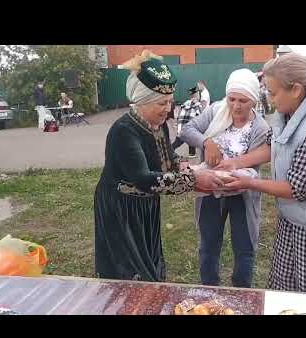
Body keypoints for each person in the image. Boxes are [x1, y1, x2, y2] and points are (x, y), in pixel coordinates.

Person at [217, 53, 306, 294]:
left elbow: (297, 189)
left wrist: (249, 182)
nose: (270, 100)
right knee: (285, 289)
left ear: (295, 90)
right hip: (295, 218)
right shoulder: (288, 113)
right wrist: (235, 162)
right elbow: (274, 145)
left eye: (273, 93)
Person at [94, 50, 225, 282]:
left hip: (146, 205)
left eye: (170, 102)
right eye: (161, 103)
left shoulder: (159, 124)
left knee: (150, 260)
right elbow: (144, 178)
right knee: (129, 270)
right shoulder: (124, 131)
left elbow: (166, 157)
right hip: (122, 209)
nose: (168, 108)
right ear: (141, 102)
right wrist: (194, 180)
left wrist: (188, 168)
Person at [180, 69, 270, 288]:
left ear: (254, 101)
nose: (236, 106)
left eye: (243, 100)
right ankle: (209, 289)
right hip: (210, 190)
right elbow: (187, 130)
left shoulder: (260, 127)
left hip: (242, 194)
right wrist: (207, 142)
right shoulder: (215, 111)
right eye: (232, 99)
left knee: (244, 246)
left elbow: (263, 156)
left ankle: (242, 291)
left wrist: (236, 168)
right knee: (209, 243)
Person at [171, 86, 203, 157]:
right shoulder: (198, 105)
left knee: (184, 139)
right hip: (189, 126)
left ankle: (192, 153)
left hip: (182, 125)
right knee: (183, 140)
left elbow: (180, 113)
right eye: (198, 94)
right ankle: (170, 150)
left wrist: (177, 123)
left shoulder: (185, 103)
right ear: (197, 95)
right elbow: (199, 116)